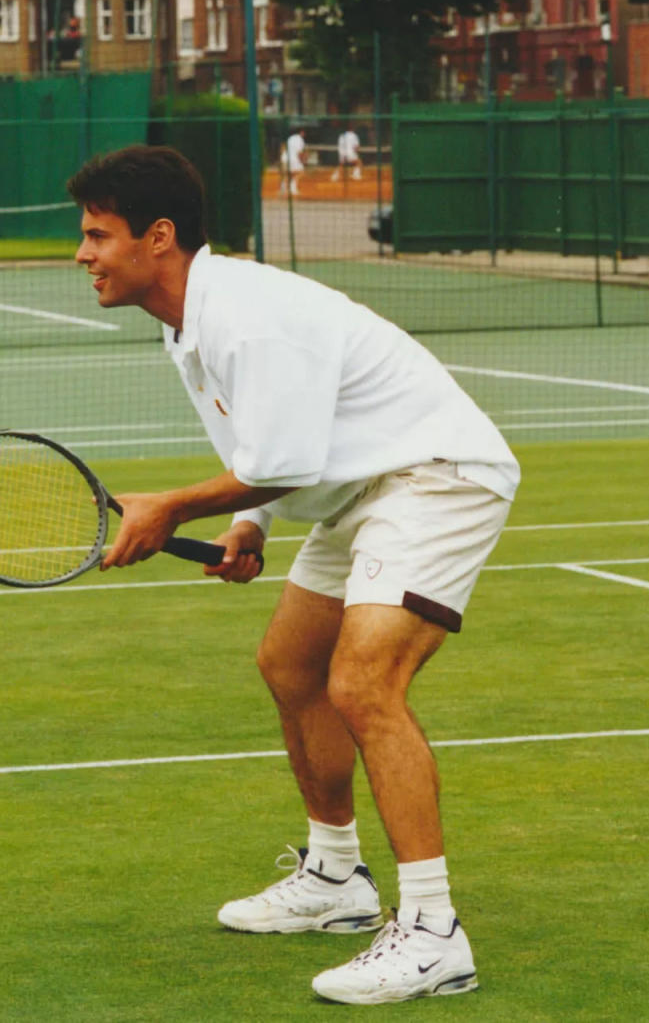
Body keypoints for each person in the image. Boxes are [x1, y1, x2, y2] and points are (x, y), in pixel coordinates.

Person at [68, 145, 519, 1008]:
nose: (83, 255)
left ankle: (432, 932)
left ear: (157, 238)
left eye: (98, 235)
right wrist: (250, 519)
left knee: (364, 685)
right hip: (359, 487)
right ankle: (337, 879)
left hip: (436, 475)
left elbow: (289, 452)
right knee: (290, 665)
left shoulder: (246, 315)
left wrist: (168, 508)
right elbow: (266, 448)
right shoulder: (187, 321)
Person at [282, 128, 306, 195]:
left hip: (285, 157)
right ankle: (293, 188)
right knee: (300, 172)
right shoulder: (300, 140)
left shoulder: (290, 138)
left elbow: (284, 147)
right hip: (293, 159)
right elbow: (299, 152)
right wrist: (302, 161)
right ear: (301, 132)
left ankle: (284, 188)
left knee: (288, 173)